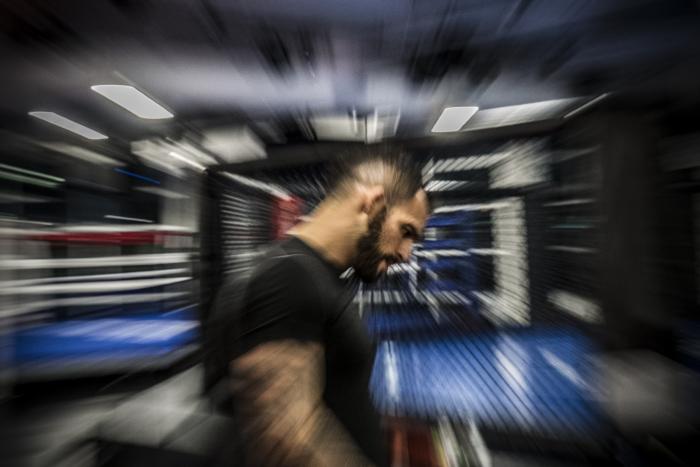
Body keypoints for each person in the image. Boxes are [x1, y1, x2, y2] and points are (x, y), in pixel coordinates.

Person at [223, 150, 429, 466]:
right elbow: (283, 442)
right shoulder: (290, 276)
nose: (406, 253)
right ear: (372, 203)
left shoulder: (322, 275)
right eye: (405, 231)